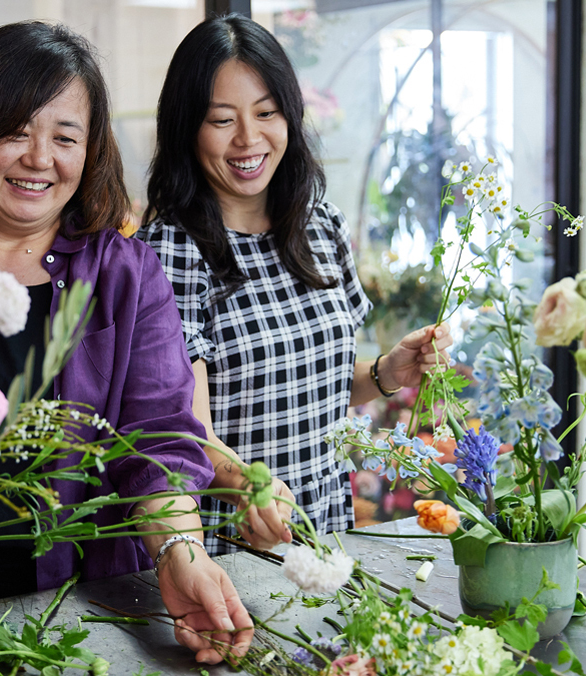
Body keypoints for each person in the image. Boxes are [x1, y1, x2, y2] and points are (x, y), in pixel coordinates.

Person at [0, 21, 251, 664]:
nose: (40, 159)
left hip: (87, 622)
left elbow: (159, 439)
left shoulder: (127, 275)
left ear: (90, 152)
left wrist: (182, 551)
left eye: (65, 137)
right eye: (14, 132)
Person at [138, 14, 452, 554]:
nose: (248, 138)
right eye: (221, 120)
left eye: (267, 113)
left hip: (327, 528)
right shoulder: (172, 249)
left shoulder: (318, 224)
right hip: (232, 538)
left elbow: (309, 384)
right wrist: (251, 489)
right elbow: (186, 432)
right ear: (186, 128)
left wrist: (385, 372)